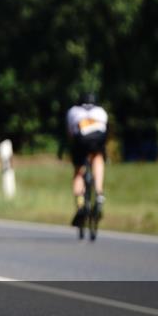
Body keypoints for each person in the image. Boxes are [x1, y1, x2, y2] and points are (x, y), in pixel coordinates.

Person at [64, 92, 108, 222]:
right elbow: (106, 130)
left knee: (78, 171)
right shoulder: (101, 111)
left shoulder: (73, 111)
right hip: (98, 137)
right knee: (98, 158)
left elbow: (70, 133)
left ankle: (80, 203)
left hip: (81, 139)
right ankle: (99, 193)